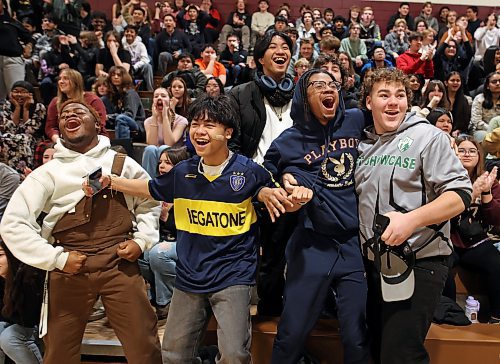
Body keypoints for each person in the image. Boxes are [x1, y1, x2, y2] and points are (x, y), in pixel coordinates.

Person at [84, 94, 312, 363]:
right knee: (174, 353)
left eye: (210, 125)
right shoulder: (183, 173)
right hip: (190, 276)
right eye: (194, 124)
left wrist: (298, 199)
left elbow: (281, 201)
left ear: (228, 132)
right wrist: (112, 182)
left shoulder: (249, 172)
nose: (199, 131)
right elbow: (150, 189)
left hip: (233, 275)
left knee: (235, 354)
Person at [0, 99, 163, 364]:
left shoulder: (121, 163)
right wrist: (56, 259)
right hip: (69, 269)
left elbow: (150, 201)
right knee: (59, 353)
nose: (70, 116)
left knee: (144, 345)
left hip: (118, 263)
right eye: (64, 115)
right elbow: (12, 224)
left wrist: (142, 240)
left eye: (78, 111)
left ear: (97, 123)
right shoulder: (47, 173)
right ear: (59, 129)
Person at [355, 68, 472, 364]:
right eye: (384, 95)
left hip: (420, 262)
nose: (393, 102)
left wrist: (411, 220)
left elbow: (460, 195)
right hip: (375, 264)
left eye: (400, 95)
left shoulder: (428, 137)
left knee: (401, 355)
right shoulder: (364, 145)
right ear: (368, 102)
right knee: (377, 349)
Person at [266, 68, 370, 363]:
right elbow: (266, 174)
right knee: (291, 333)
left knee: (356, 335)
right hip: (311, 246)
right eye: (318, 85)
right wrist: (285, 183)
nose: (328, 90)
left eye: (332, 85)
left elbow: (392, 119)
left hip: (351, 245)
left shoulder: (355, 119)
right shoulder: (289, 140)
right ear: (303, 95)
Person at [229, 31, 296, 315]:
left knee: (283, 253)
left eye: (285, 47)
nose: (280, 51)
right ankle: (251, 309)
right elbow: (232, 144)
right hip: (253, 181)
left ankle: (282, 308)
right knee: (260, 255)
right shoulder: (240, 94)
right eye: (272, 47)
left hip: (293, 181)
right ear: (259, 59)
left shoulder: (302, 95)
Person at [449, 138, 500, 324]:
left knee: (497, 263)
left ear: (480, 156)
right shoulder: (445, 177)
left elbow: (496, 219)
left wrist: (486, 193)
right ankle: (449, 314)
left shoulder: (491, 183)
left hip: (476, 241)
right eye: (462, 150)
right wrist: (472, 194)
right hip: (448, 240)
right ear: (454, 154)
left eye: (472, 151)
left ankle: (496, 317)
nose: (467, 154)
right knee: (441, 267)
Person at [138, 146, 190, 319]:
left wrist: (167, 215)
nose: (161, 166)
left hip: (187, 243)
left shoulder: (189, 189)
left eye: (167, 163)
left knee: (158, 254)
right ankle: (155, 297)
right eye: (160, 162)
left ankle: (166, 302)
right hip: (164, 241)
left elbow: (187, 227)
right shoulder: (159, 189)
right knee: (141, 253)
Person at [0, 242, 44, 364]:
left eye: (0, 255)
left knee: (10, 337)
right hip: (17, 324)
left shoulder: (28, 278)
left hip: (36, 327)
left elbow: (29, 320)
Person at [45, 68, 108, 144]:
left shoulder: (93, 100)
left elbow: (99, 124)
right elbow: (51, 127)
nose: (61, 81)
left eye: (66, 78)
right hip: (63, 140)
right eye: (60, 79)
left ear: (76, 82)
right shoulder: (55, 102)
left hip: (92, 139)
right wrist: (59, 142)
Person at [142, 87, 188, 177]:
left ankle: (164, 182)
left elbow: (169, 143)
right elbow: (152, 143)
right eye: (156, 96)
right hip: (156, 157)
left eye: (163, 96)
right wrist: (155, 118)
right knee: (150, 149)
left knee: (164, 147)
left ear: (170, 101)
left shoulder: (181, 121)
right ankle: (148, 182)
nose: (159, 98)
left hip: (175, 154)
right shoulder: (148, 121)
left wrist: (165, 117)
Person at [0, 81, 45, 172]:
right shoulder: (6, 105)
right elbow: (10, 130)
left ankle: (25, 171)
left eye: (23, 92)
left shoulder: (39, 107)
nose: (19, 94)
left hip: (33, 138)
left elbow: (29, 130)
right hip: (11, 138)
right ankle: (8, 172)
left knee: (24, 138)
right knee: (6, 138)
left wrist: (26, 109)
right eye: (16, 91)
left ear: (30, 94)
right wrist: (17, 107)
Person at [0, 0, 32, 100]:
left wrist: (28, 46)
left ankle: (20, 115)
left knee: (17, 94)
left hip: (12, 59)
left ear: (3, 5)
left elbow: (28, 37)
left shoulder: (11, 22)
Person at [122, 24, 154, 91]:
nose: (129, 33)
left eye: (131, 32)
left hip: (137, 68)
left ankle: (150, 90)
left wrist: (135, 67)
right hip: (125, 68)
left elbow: (145, 59)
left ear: (136, 35)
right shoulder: (121, 44)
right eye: (127, 31)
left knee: (148, 66)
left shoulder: (140, 45)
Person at [470, 71, 500, 142]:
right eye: (494, 82)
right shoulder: (479, 99)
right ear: (487, 86)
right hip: (480, 130)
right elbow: (476, 121)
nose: (498, 84)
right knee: (485, 136)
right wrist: (492, 130)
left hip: (498, 131)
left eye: (499, 81)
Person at [444, 71, 471, 136]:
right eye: (452, 80)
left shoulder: (464, 100)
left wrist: (458, 130)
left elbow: (466, 120)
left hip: (459, 132)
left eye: (458, 80)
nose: (455, 83)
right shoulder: (441, 98)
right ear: (446, 83)